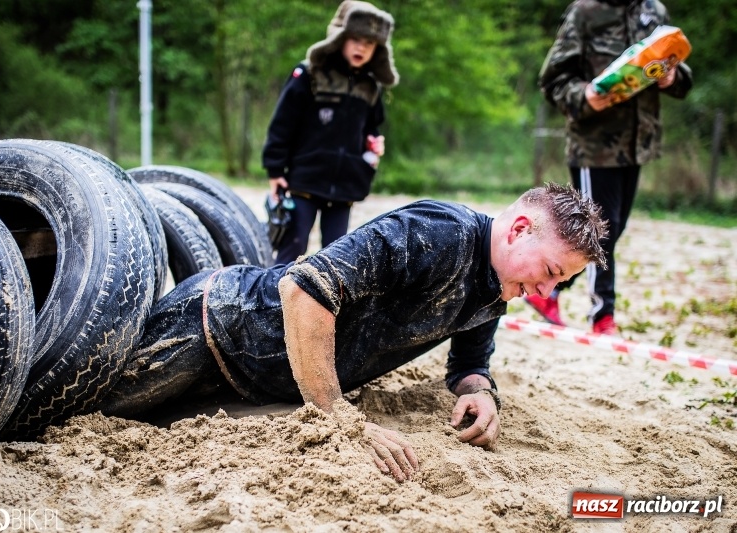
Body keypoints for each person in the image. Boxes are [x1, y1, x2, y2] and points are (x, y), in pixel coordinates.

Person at [99, 183, 607, 482]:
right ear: (519, 230)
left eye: (558, 282)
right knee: (89, 411)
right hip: (219, 323)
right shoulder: (439, 232)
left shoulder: (498, 287)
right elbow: (305, 287)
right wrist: (339, 414)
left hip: (257, 386)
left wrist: (480, 392)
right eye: (551, 271)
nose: (545, 291)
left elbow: (469, 364)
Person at [532, 0, 692, 334]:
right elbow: (553, 80)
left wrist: (672, 77)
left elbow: (679, 71)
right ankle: (602, 315)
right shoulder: (586, 11)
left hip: (636, 146)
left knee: (612, 231)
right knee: (599, 231)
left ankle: (552, 292)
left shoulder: (654, 10)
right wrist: (584, 96)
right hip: (595, 146)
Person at [262, 0, 399, 265]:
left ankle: (325, 305)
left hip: (346, 185)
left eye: (369, 43)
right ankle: (276, 303)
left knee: (336, 256)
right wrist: (275, 171)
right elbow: (282, 124)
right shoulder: (309, 74)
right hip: (304, 182)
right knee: (292, 249)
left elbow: (371, 127)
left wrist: (374, 144)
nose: (361, 47)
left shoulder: (371, 87)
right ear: (340, 38)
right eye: (356, 39)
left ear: (377, 49)